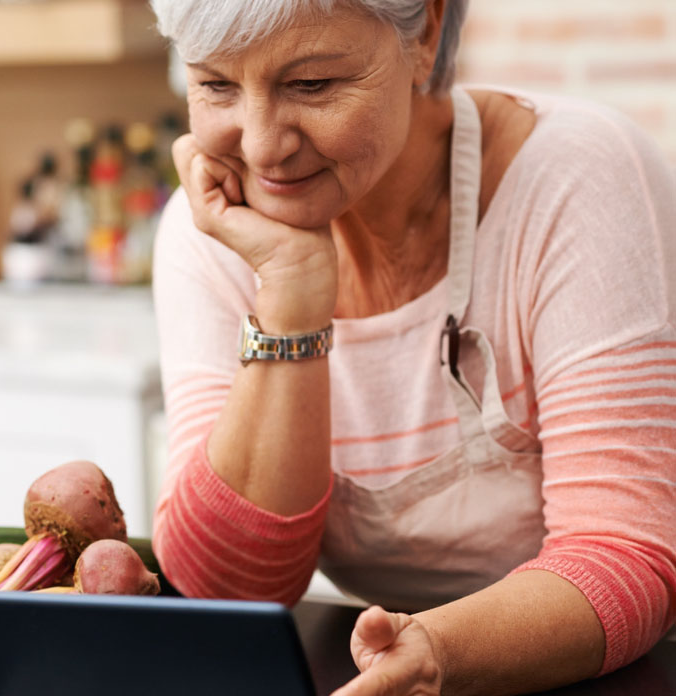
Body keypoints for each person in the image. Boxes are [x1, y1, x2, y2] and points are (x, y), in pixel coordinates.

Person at [147, 1, 676, 694]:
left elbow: (625, 555)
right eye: (216, 84)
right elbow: (230, 594)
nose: (261, 147)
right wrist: (292, 293)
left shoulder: (577, 175)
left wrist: (436, 652)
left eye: (310, 86)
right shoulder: (211, 232)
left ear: (424, 30)